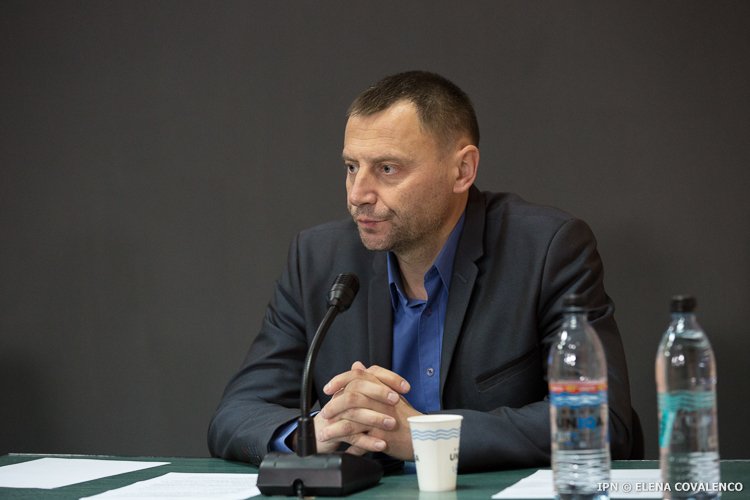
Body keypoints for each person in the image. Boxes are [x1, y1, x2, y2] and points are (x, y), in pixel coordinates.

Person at [208, 70, 639, 472]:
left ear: (462, 170)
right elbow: (236, 413)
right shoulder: (318, 259)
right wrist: (314, 432)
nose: (358, 194)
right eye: (351, 167)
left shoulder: (546, 250)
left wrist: (424, 437)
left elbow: (600, 419)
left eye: (387, 169)